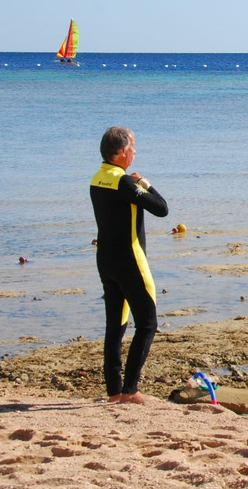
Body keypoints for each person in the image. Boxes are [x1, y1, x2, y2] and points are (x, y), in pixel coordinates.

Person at [90, 127, 168, 404]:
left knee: (115, 327)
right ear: (122, 152)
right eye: (133, 148)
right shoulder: (124, 183)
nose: (135, 153)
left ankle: (114, 391)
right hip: (130, 261)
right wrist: (145, 183)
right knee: (147, 324)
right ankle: (131, 391)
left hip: (106, 261)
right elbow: (161, 208)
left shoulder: (98, 178)